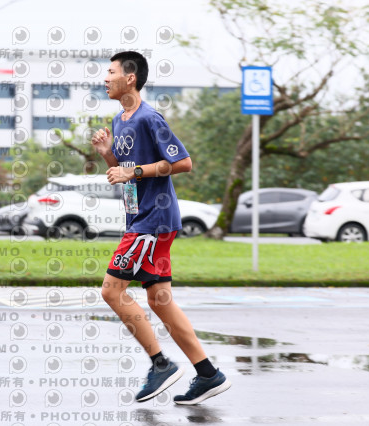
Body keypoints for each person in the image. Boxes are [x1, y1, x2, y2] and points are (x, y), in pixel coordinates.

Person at [90, 51, 231, 404]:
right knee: (159, 299)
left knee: (111, 291)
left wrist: (133, 171)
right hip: (143, 219)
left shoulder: (149, 118)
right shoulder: (120, 119)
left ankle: (161, 364)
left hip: (153, 220)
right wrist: (109, 155)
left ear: (130, 78)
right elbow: (125, 170)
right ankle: (208, 374)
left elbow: (183, 162)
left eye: (111, 72)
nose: (105, 78)